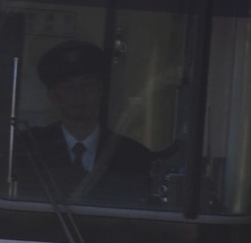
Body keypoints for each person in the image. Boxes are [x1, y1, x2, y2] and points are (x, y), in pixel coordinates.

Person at [15, 40, 152, 205]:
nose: (79, 96)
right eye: (68, 88)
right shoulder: (28, 149)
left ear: (100, 90)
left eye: (87, 85)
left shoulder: (132, 156)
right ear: (53, 96)